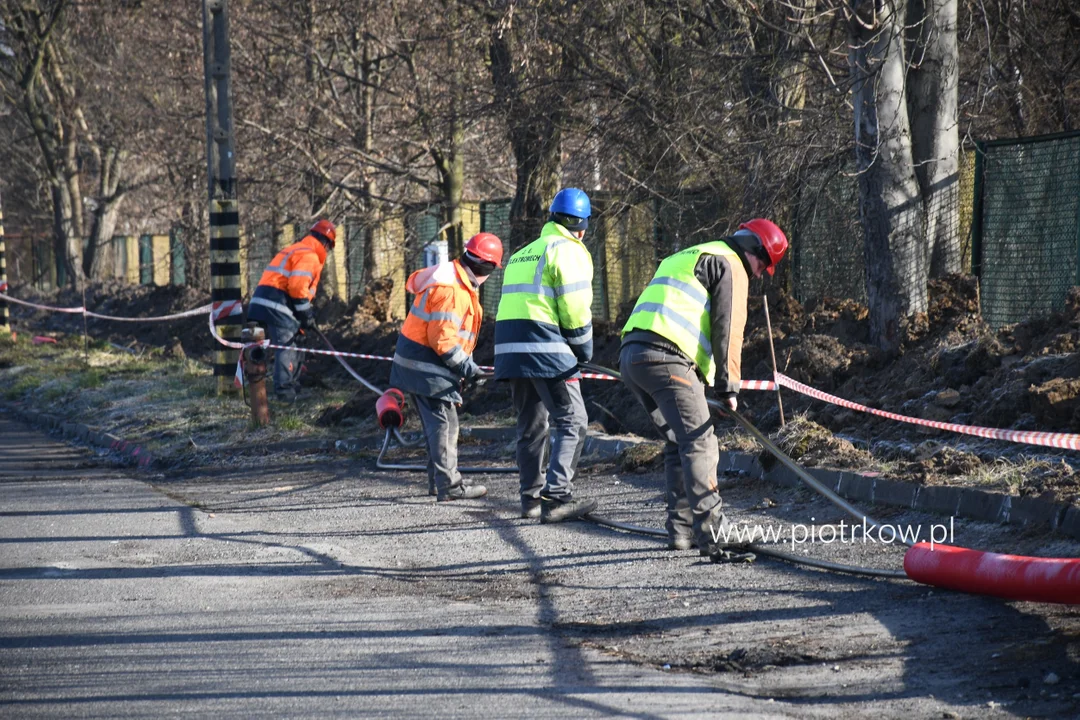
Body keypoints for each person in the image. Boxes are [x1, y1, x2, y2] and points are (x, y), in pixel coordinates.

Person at [619, 218, 788, 560]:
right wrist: (729, 387)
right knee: (701, 441)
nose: (758, 274)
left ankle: (681, 531)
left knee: (677, 441)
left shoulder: (686, 255)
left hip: (631, 355)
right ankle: (714, 531)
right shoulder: (729, 263)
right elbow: (728, 329)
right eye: (762, 265)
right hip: (667, 357)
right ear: (753, 250)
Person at [494, 188, 597, 523]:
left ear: (552, 217)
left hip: (511, 350)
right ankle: (556, 498)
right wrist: (582, 350)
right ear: (581, 226)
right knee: (573, 419)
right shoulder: (570, 251)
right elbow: (575, 307)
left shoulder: (523, 252)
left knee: (530, 425)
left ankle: (531, 501)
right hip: (546, 347)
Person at [389, 232, 504, 502]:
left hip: (420, 366)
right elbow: (442, 339)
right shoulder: (453, 290)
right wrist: (467, 367)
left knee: (440, 425)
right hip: (426, 368)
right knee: (444, 426)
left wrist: (465, 367)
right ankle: (449, 487)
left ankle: (438, 482)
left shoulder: (454, 280)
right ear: (486, 267)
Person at [247, 219, 336, 403]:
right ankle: (285, 394)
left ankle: (263, 391)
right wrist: (306, 314)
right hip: (277, 304)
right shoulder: (310, 255)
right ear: (326, 243)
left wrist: (302, 319)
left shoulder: (295, 249)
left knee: (265, 347)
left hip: (261, 302)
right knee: (287, 345)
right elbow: (297, 288)